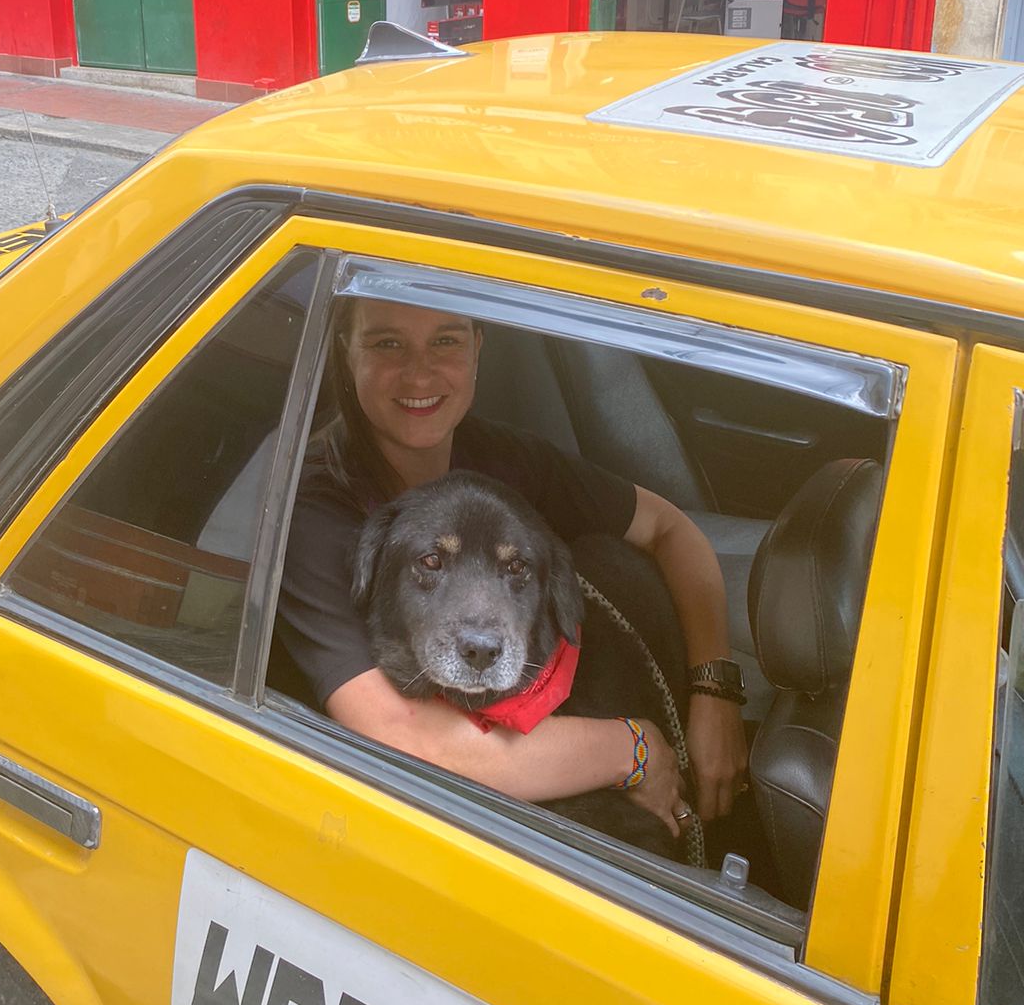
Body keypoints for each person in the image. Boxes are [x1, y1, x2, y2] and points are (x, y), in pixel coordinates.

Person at [276, 298, 749, 843]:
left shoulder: (501, 459)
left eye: (446, 340)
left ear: (478, 349)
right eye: (387, 343)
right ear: (346, 348)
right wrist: (635, 748)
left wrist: (713, 690)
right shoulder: (313, 509)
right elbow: (410, 741)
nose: (419, 372)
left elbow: (670, 529)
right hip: (395, 807)